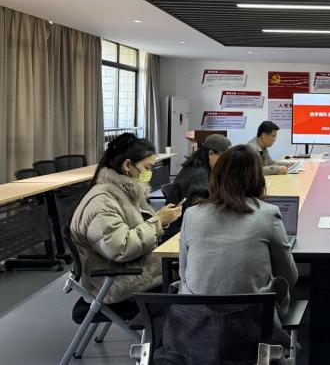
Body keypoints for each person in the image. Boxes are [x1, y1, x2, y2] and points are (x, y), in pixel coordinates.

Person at [178, 145, 298, 345]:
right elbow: (289, 276)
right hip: (253, 331)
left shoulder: (191, 214)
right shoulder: (268, 214)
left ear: (217, 176)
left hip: (196, 332)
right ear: (257, 178)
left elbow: (184, 274)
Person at [70, 133, 182, 304]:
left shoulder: (124, 193)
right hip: (114, 282)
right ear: (128, 165)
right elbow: (120, 248)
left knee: (184, 268)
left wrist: (161, 218)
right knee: (186, 274)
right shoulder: (102, 202)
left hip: (130, 267)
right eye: (147, 168)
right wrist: (158, 222)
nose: (149, 174)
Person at [165, 134, 231, 206]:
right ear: (211, 154)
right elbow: (196, 205)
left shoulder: (195, 165)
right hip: (183, 212)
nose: (225, 163)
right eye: (223, 158)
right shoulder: (200, 173)